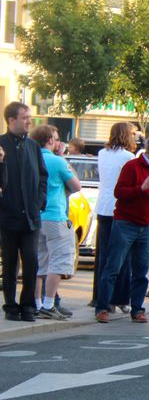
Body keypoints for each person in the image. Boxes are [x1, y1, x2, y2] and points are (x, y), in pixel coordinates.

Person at [94, 135, 149, 323]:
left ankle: (137, 309)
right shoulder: (132, 166)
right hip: (125, 223)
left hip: (145, 225)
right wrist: (141, 188)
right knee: (113, 266)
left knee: (141, 270)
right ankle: (102, 307)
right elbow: (119, 192)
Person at [0, 102, 47, 322]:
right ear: (11, 120)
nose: (29, 121)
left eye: (29, 117)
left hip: (31, 217)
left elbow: (42, 177)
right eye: (25, 117)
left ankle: (28, 305)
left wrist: (38, 202)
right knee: (10, 264)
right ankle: (10, 306)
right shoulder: (1, 145)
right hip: (7, 216)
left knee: (31, 262)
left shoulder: (33, 147)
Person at [30, 125, 80, 320]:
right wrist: (62, 157)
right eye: (57, 138)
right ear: (50, 140)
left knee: (39, 263)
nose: (59, 142)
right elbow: (76, 185)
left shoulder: (31, 158)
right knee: (58, 262)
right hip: (55, 216)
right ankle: (49, 303)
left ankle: (37, 303)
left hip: (36, 216)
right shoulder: (57, 161)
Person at [93, 122, 136, 310]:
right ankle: (119, 298)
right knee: (122, 256)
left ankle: (100, 296)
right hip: (119, 208)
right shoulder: (128, 156)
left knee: (104, 255)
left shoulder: (102, 154)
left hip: (103, 206)